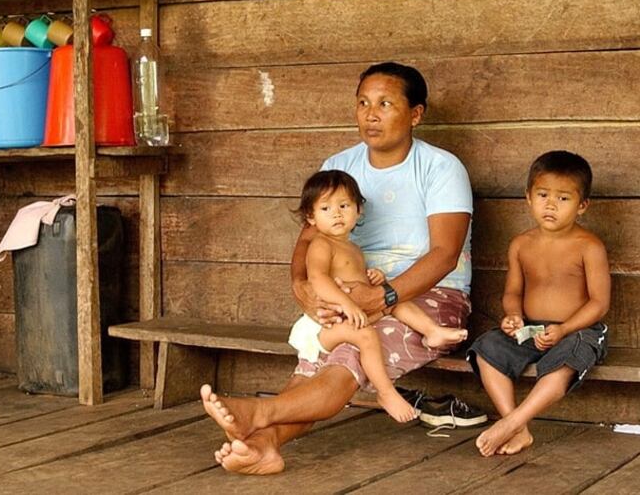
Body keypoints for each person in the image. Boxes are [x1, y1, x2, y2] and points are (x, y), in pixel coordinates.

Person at [199, 62, 474, 475]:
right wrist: (302, 288)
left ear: (416, 113)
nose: (371, 114)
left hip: (428, 296)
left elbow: (445, 254)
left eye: (385, 103)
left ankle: (259, 414)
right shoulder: (340, 165)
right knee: (314, 360)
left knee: (349, 355)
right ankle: (266, 447)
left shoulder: (440, 167)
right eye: (363, 103)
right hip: (351, 292)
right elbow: (308, 239)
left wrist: (383, 295)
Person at [287, 169, 468, 422]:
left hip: (353, 313)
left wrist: (375, 278)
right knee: (366, 336)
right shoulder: (320, 244)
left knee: (396, 301)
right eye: (326, 209)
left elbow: (354, 277)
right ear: (311, 217)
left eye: (344, 205)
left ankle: (431, 330)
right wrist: (347, 305)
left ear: (358, 209)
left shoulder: (351, 247)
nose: (337, 213)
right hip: (327, 324)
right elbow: (318, 279)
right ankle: (385, 392)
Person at [467, 150, 611, 457]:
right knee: (486, 347)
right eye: (543, 194)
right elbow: (513, 292)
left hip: (578, 330)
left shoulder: (589, 246)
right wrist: (513, 316)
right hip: (531, 330)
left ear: (582, 205)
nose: (550, 205)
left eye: (563, 198)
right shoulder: (521, 244)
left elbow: (599, 303)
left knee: (568, 358)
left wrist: (564, 329)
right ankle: (517, 427)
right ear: (528, 197)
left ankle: (514, 421)